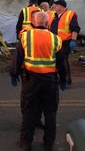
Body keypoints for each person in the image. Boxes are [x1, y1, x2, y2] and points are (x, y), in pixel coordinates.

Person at [10, 11, 62, 151]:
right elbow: (61, 62)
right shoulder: (56, 39)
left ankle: (26, 143)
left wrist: (14, 74)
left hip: (31, 80)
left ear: (33, 22)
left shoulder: (25, 37)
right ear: (47, 23)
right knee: (50, 112)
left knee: (29, 111)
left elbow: (17, 58)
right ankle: (48, 143)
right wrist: (64, 79)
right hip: (50, 81)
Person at [49, 0, 79, 88]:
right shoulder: (53, 15)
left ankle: (66, 80)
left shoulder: (70, 14)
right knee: (54, 62)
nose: (54, 6)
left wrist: (73, 40)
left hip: (65, 42)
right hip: (53, 42)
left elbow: (75, 28)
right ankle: (57, 79)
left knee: (63, 61)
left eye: (56, 5)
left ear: (61, 7)